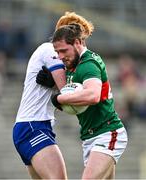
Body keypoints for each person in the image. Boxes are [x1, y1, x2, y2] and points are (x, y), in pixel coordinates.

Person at [36, 12, 128, 179]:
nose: (61, 56)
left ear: (77, 42)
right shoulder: (72, 64)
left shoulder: (88, 64)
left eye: (64, 50)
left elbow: (93, 96)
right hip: (89, 137)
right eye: (57, 52)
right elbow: (73, 88)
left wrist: (58, 98)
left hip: (107, 133)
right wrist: (53, 80)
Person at [12, 42, 68, 179]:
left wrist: (54, 85)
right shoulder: (50, 50)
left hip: (34, 125)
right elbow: (68, 93)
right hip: (33, 126)